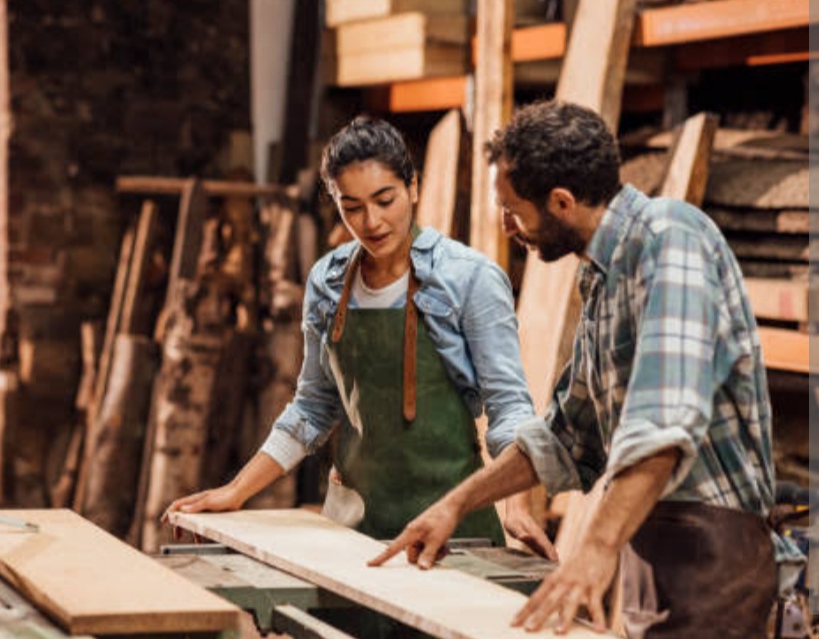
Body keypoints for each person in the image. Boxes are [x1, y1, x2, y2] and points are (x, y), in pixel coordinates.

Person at [369, 100, 801, 637]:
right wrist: (454, 505)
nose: (507, 227)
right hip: (653, 549)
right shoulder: (602, 276)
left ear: (562, 202)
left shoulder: (671, 239)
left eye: (513, 210)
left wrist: (595, 547)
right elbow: (566, 437)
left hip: (715, 555)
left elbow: (664, 423)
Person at [166, 116, 555, 561]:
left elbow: (510, 407)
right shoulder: (327, 281)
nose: (371, 222)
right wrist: (237, 490)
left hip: (452, 530)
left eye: (384, 200)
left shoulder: (470, 278)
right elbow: (312, 408)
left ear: (412, 187)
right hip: (351, 533)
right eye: (351, 207)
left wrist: (518, 505)